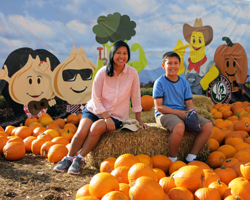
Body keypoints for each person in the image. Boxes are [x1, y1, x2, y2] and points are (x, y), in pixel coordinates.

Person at [53, 40, 148, 174]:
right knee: (82, 131)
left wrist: (139, 120)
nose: (122, 56)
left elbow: (136, 97)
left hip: (116, 115)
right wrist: (105, 117)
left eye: (125, 53)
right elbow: (96, 98)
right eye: (118, 53)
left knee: (96, 128)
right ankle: (68, 158)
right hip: (94, 110)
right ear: (112, 54)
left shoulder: (132, 73)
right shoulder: (102, 72)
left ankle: (79, 159)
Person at [153, 51, 212, 163]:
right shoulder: (159, 82)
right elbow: (159, 107)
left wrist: (192, 113)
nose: (173, 66)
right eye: (169, 63)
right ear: (163, 66)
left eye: (176, 63)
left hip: (182, 112)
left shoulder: (184, 83)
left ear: (179, 66)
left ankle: (190, 158)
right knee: (179, 127)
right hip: (164, 114)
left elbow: (189, 103)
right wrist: (179, 113)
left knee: (208, 126)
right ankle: (172, 160)